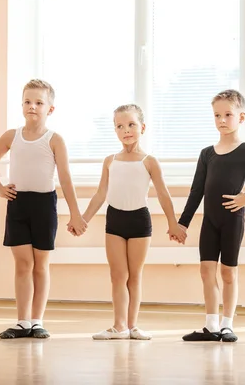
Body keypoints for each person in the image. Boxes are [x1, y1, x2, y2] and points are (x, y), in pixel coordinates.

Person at [70, 104, 186, 340]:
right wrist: (83, 220)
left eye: (131, 124)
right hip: (115, 219)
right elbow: (100, 194)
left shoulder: (150, 161)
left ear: (142, 127)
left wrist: (173, 223)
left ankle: (133, 326)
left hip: (139, 220)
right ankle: (118, 326)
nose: (126, 130)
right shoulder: (110, 161)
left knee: (134, 275)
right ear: (115, 130)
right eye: (120, 126)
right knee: (117, 275)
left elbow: (163, 194)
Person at [0, 79, 88, 339]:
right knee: (22, 263)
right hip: (18, 204)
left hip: (44, 205)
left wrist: (75, 213)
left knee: (40, 264)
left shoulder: (55, 140)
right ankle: (22, 322)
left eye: (39, 102)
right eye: (28, 102)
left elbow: (65, 178)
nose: (32, 106)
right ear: (21, 105)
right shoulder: (11, 136)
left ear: (50, 109)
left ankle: (37, 321)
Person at [176, 89, 245, 342]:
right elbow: (196, 191)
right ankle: (210, 325)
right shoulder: (207, 153)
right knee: (205, 271)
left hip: (233, 219)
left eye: (228, 115)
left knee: (228, 273)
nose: (221, 120)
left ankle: (227, 325)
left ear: (241, 117)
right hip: (209, 221)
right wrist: (182, 223)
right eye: (217, 115)